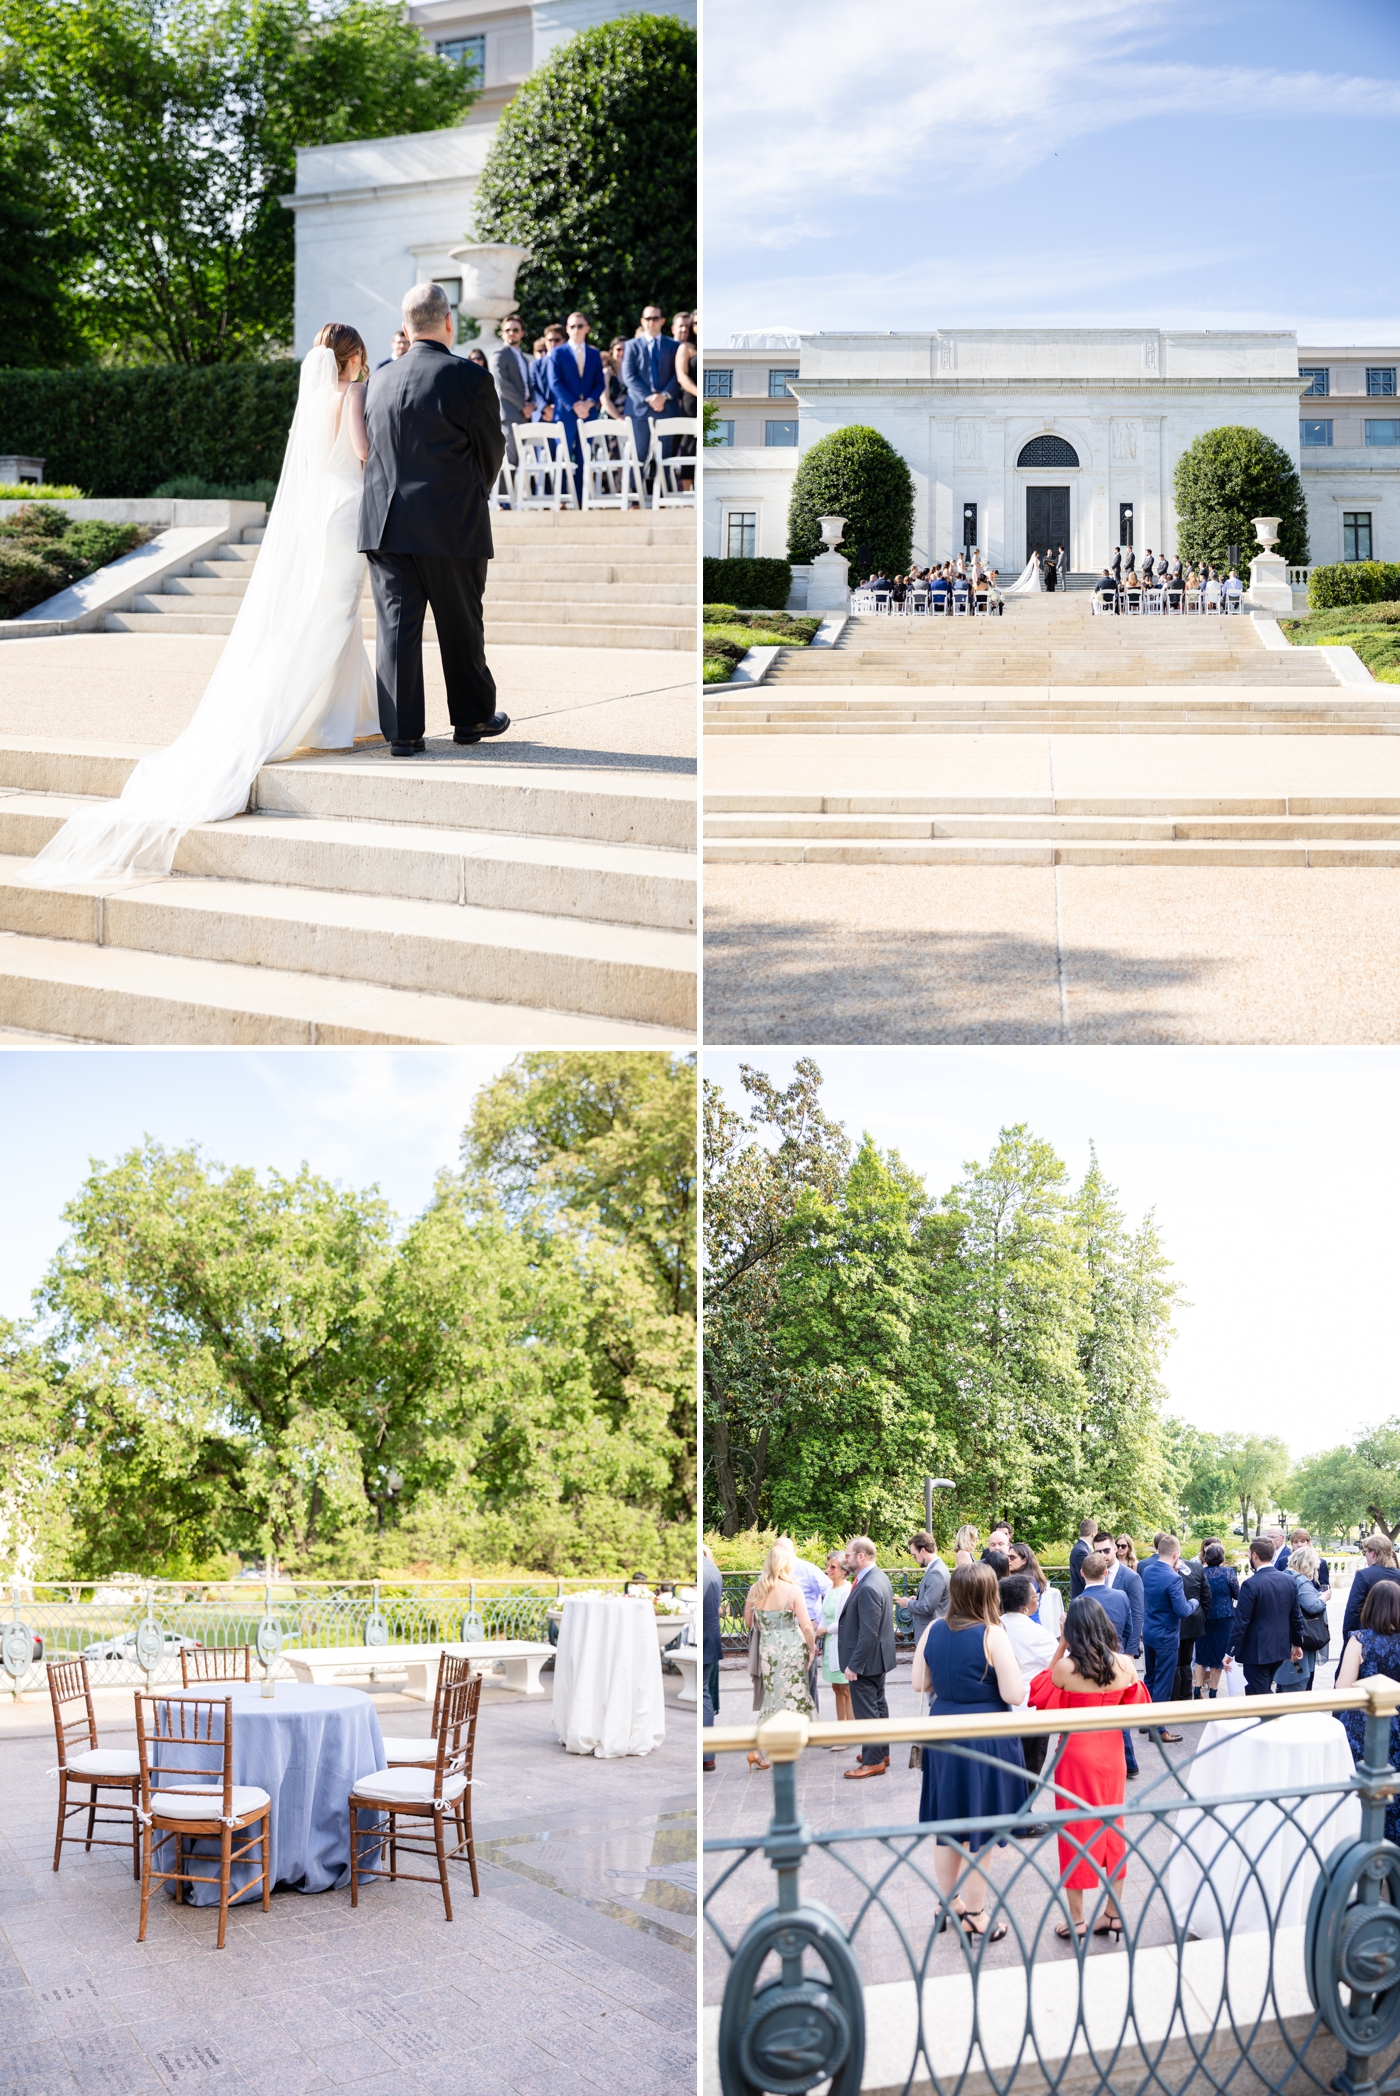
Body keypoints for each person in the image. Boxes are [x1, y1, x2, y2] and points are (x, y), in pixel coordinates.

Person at [23, 322, 381, 886]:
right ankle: (311, 717)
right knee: (334, 617)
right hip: (348, 506)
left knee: (328, 616)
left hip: (320, 512)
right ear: (353, 356)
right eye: (362, 355)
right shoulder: (354, 392)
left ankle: (349, 717)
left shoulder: (312, 400)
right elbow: (362, 450)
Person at [359, 282, 509, 756]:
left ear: (406, 327)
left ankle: (404, 733)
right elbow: (492, 450)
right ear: (450, 322)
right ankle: (471, 720)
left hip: (385, 521)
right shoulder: (470, 377)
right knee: (461, 624)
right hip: (450, 520)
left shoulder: (378, 379)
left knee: (395, 630)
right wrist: (473, 491)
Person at [914, 1563, 1026, 1939]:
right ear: (988, 1594)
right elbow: (1014, 1694)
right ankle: (976, 1914)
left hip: (943, 1728)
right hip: (984, 1735)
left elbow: (919, 1682)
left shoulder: (932, 1629)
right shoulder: (993, 1634)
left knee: (948, 1823)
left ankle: (948, 1903)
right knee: (981, 1826)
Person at [1028, 1597, 1150, 1941]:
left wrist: (1062, 1644)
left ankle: (1078, 1920)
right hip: (1111, 1754)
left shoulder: (1067, 1668)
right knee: (1113, 1827)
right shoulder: (1125, 1665)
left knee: (1075, 1831)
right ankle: (1113, 1914)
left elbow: (1038, 1695)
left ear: (1073, 1630)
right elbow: (1137, 1706)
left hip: (1076, 1754)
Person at [742, 1539, 816, 1771]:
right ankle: (775, 1744)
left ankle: (763, 1747)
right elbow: (806, 1626)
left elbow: (748, 1622)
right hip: (791, 1647)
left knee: (773, 1696)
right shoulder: (793, 1589)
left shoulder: (755, 1589)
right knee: (793, 1692)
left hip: (768, 1648)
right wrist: (812, 1648)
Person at [1335, 1579, 1400, 1838]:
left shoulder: (1360, 1640)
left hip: (1366, 1725)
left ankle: (1368, 1853)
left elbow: (1342, 1688)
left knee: (1365, 1792)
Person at [837, 1536, 896, 1778]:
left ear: (861, 1556)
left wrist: (854, 1664)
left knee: (868, 1711)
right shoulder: (877, 1576)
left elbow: (869, 1631)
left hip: (866, 1661)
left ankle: (873, 1761)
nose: (845, 1559)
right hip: (877, 1658)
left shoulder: (870, 1584)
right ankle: (880, 1752)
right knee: (878, 1704)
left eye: (848, 1555)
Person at [1079, 1551, 1140, 1776]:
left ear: (1081, 1573)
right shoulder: (1122, 1596)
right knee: (1118, 1710)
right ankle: (1129, 1762)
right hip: (1117, 1656)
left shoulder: (1079, 1602)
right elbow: (1129, 1628)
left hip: (1088, 1662)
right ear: (1106, 1573)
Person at [1225, 1534, 1303, 1694]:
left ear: (1255, 1555)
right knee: (1263, 1689)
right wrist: (1296, 1644)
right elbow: (1296, 1617)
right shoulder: (1289, 1580)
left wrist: (1230, 1651)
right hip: (1280, 1648)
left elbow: (1241, 1622)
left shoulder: (1250, 1584)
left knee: (1258, 1696)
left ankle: (1276, 1716)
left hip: (1257, 1651)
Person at [1139, 1532, 1194, 1736]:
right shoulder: (1173, 1578)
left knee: (1150, 1678)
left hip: (1150, 1632)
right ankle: (1158, 1729)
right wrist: (1194, 1603)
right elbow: (1183, 1610)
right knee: (1163, 1682)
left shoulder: (1148, 1570)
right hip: (1166, 1636)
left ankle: (1145, 1720)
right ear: (1176, 1554)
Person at [547, 312, 606, 484]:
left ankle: (581, 499)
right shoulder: (557, 353)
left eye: (580, 326)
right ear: (567, 329)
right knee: (563, 455)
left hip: (589, 413)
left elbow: (600, 383)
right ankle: (563, 498)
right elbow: (555, 383)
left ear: (587, 328)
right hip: (565, 413)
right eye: (572, 326)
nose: (576, 330)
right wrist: (575, 405)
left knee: (584, 456)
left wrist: (588, 404)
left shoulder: (594, 354)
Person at [621, 305, 680, 477]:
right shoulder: (631, 346)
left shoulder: (674, 346)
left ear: (662, 321)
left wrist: (664, 396)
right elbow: (629, 376)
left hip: (667, 406)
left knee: (665, 454)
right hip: (640, 407)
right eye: (647, 318)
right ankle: (634, 496)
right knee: (639, 453)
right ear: (642, 321)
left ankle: (664, 496)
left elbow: (679, 374)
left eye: (655, 318)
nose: (651, 322)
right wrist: (650, 397)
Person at [1274, 1545, 1329, 1692]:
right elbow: (1313, 1606)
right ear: (1308, 1564)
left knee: (1286, 1681)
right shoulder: (1301, 1580)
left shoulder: (1284, 1575)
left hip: (1283, 1635)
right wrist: (1324, 1597)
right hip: (1300, 1636)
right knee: (1296, 1682)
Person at [486, 314, 534, 471]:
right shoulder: (499, 355)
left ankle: (517, 496)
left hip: (526, 415)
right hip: (510, 414)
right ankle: (503, 496)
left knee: (521, 464)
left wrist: (532, 406)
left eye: (515, 329)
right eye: (507, 330)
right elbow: (502, 385)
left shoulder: (525, 358)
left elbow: (529, 385)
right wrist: (523, 406)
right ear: (502, 333)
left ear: (522, 333)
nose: (511, 333)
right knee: (508, 462)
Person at [1192, 1540, 1239, 1698]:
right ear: (1222, 1557)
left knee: (1201, 1653)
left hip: (1203, 1618)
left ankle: (1197, 1687)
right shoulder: (1229, 1573)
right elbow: (1237, 1594)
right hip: (1224, 1619)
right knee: (1218, 1655)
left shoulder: (1199, 1572)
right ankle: (1213, 1689)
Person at [817, 1549, 854, 1736]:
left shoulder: (846, 1590)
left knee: (846, 1689)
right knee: (836, 1688)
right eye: (828, 1566)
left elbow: (844, 1622)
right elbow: (824, 1617)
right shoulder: (829, 1589)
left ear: (844, 1570)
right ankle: (841, 1729)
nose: (828, 1570)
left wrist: (823, 1630)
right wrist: (818, 1640)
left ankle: (850, 1731)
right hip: (830, 1644)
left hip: (841, 1643)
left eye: (833, 1567)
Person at [789, 1547, 831, 1712]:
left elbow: (830, 1590)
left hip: (806, 1629)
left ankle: (811, 1719)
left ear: (793, 1551)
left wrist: (819, 1621)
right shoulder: (767, 1574)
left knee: (808, 1679)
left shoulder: (807, 1569)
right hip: (781, 1635)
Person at [1343, 1533, 1400, 1640]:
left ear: (1373, 1553)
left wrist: (1348, 1638)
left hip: (1369, 1636)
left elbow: (1353, 1609)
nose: (1365, 1556)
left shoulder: (1363, 1575)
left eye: (1365, 1552)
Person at [1007, 1542, 1063, 1639]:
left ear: (1024, 1560)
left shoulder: (1027, 1582)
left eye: (1012, 1557)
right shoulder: (1030, 1577)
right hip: (1029, 1625)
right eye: (1007, 1557)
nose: (1008, 1560)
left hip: (1027, 1627)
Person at [908, 1531, 951, 1651]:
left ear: (922, 1550)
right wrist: (917, 1600)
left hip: (932, 1634)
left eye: (914, 1555)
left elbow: (927, 1607)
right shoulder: (936, 1568)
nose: (914, 1559)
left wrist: (908, 1603)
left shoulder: (936, 1571)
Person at [701, 1544, 722, 1771]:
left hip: (704, 1638)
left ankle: (707, 1754)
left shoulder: (704, 1568)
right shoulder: (713, 1567)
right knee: (704, 1693)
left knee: (703, 1693)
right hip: (710, 1636)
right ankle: (708, 1755)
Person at [1070, 1518, 1098, 1599]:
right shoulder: (1081, 1552)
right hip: (1083, 1599)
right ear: (1093, 1533)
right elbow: (1086, 1578)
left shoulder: (1081, 1548)